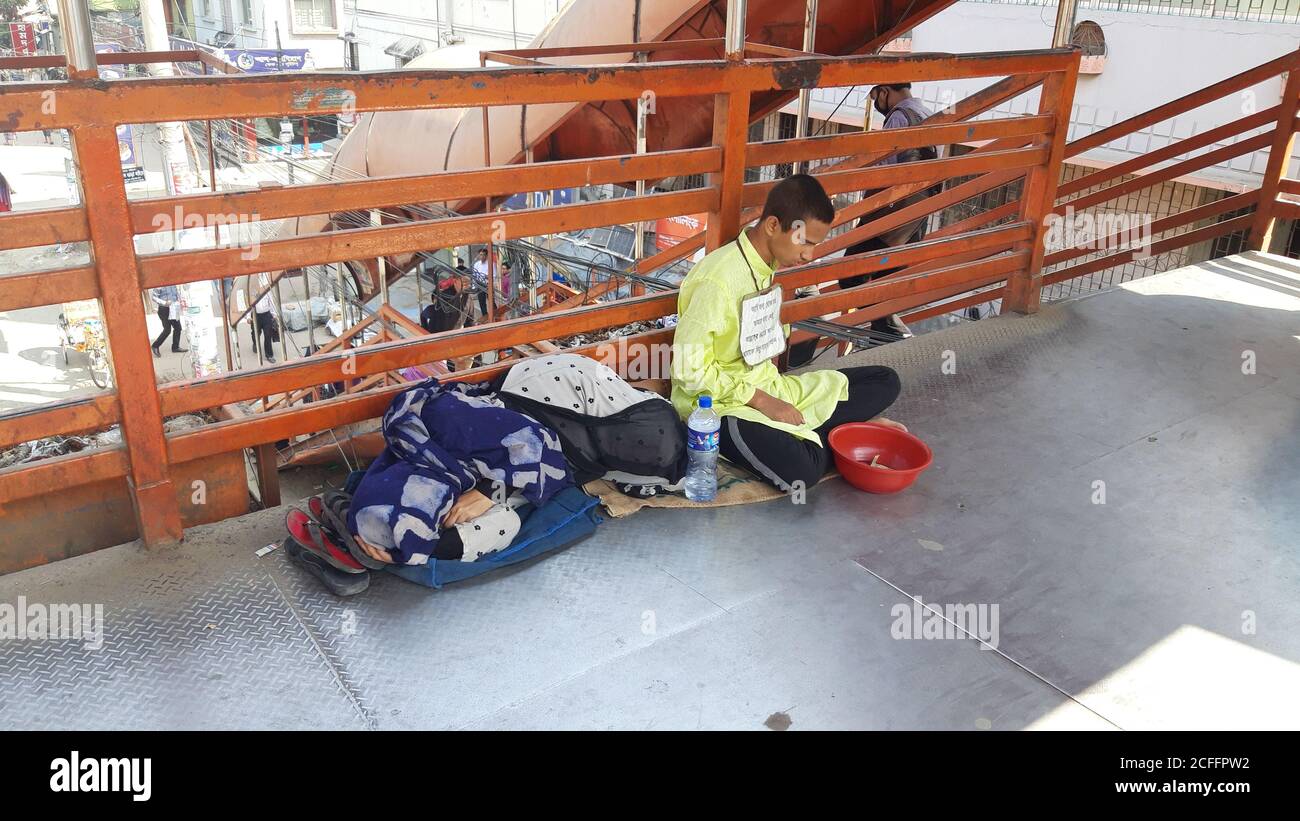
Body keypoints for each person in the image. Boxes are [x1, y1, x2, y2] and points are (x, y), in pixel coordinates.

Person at [670, 173, 907, 494]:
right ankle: (844, 438)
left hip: (769, 386)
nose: (809, 254)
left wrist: (772, 393)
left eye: (815, 244)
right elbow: (688, 369)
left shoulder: (764, 267)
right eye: (805, 242)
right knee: (802, 470)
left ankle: (826, 434)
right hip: (720, 407)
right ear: (772, 226)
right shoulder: (719, 279)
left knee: (884, 380)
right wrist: (762, 400)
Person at [838, 82, 940, 339]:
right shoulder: (924, 112)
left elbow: (885, 172)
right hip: (916, 216)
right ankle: (886, 334)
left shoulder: (898, 117)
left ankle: (891, 333)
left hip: (891, 213)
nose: (875, 102)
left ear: (885, 91)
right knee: (885, 280)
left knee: (848, 273)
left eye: (875, 95)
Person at [149, 285, 188, 357]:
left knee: (178, 328)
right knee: (167, 330)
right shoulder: (159, 284)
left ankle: (175, 347)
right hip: (164, 309)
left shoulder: (174, 283)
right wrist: (164, 302)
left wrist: (180, 302)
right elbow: (154, 297)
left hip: (174, 308)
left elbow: (176, 294)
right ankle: (155, 346)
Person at [250, 272, 278, 364]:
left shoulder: (265, 283)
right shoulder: (251, 285)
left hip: (266, 314)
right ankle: (255, 343)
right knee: (255, 333)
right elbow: (248, 301)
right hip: (256, 315)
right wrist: (247, 317)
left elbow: (271, 299)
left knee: (268, 335)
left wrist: (274, 314)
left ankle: (269, 355)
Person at [471, 248, 491, 318]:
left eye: (483, 255)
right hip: (479, 284)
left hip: (488, 284)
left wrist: (486, 276)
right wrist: (474, 286)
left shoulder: (490, 264)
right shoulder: (476, 264)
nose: (481, 256)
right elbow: (474, 275)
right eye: (480, 255)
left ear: (486, 256)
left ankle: (495, 313)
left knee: (491, 301)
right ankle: (485, 316)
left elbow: (493, 275)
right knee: (481, 302)